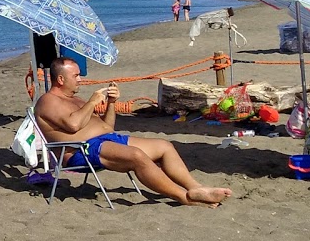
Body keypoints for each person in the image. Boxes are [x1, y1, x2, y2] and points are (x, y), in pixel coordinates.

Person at [35, 58, 231, 206]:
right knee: (137, 156)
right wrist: (93, 102)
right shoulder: (48, 101)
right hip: (80, 151)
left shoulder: (75, 100)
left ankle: (195, 188)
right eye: (76, 76)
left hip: (106, 140)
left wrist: (111, 103)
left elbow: (107, 127)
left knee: (164, 147)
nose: (80, 79)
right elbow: (73, 126)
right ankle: (183, 197)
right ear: (60, 79)